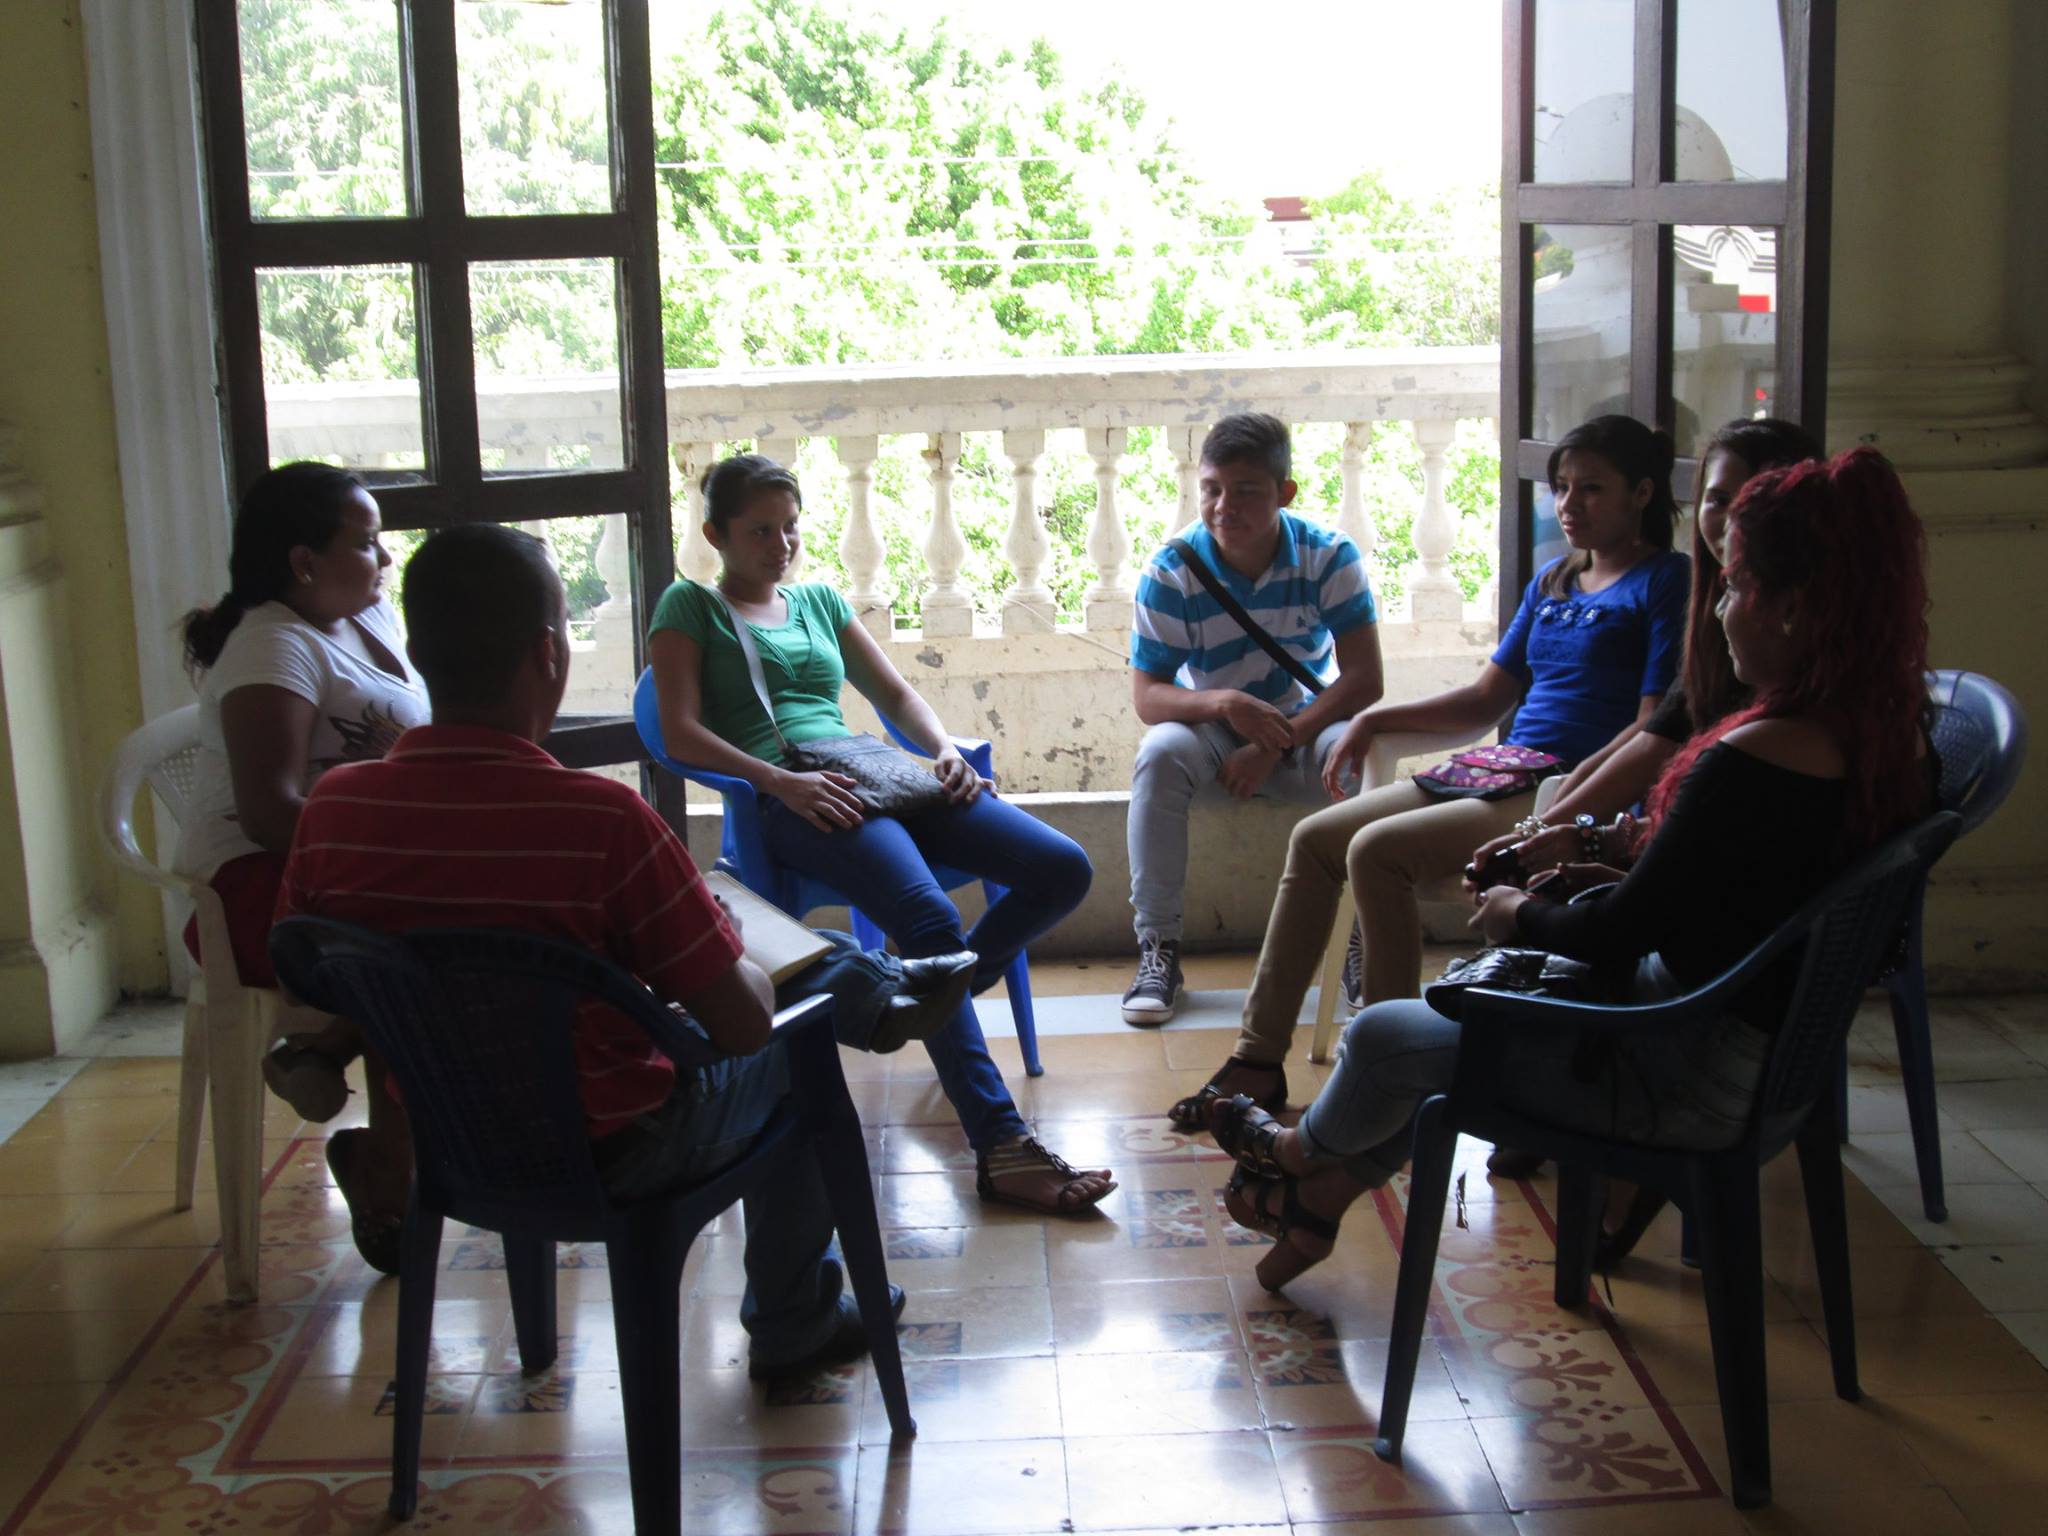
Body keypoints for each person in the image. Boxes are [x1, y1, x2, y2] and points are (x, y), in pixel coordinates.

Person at [1206, 446, 1933, 1291]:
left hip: (1675, 1067)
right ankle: (1319, 1196)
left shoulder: (1756, 756)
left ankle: (1295, 1157)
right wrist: (1598, 852)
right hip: (1761, 1059)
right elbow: (1729, 883)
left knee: (1388, 1035)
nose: (1721, 606)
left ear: (1793, 609)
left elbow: (1621, 936)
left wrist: (1518, 911)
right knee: (1437, 1027)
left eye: (1734, 587)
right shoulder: (1885, 732)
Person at [277, 523, 983, 1379]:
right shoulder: (599, 821)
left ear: (420, 652)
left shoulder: (335, 810)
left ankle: (869, 986)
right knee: (797, 1035)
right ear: (548, 652)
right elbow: (740, 1025)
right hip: (615, 1141)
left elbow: (315, 986)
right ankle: (794, 1316)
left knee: (776, 962)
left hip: (449, 1135)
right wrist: (728, 956)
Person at [1167, 414, 1689, 1135]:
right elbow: (1486, 699)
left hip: (1566, 793)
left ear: (1642, 493)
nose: (1570, 505)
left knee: (1376, 853)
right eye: (1563, 488)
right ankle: (1259, 1056)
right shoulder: (1555, 581)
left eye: (1591, 489)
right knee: (1317, 839)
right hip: (1499, 770)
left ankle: (1388, 1071)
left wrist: (1563, 805)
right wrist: (1376, 719)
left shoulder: (1666, 581)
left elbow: (1652, 727)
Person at [648, 455, 1113, 1216]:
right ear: (715, 536)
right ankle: (1000, 1144)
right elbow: (679, 732)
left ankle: (935, 987)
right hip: (799, 798)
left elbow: (893, 693)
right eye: (760, 530)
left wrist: (944, 751)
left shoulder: (822, 601)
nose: (781, 544)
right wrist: (777, 782)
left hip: (875, 772)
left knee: (1062, 868)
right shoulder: (689, 607)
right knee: (930, 921)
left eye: (790, 527)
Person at [176, 461, 428, 1256]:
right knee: (412, 943)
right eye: (366, 543)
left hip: (343, 865)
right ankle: (391, 1172)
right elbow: (270, 812)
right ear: (302, 561)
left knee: (450, 907)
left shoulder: (360, 618)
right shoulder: (268, 649)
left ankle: (330, 1054)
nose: (385, 561)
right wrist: (390, 857)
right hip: (260, 886)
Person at [1463, 417, 1822, 884]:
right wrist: (1539, 832)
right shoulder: (1712, 621)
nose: (1734, 520)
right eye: (1717, 500)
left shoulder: (1784, 697)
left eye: (1753, 500)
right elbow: (1661, 733)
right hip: (1568, 798)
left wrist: (1560, 840)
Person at [1123, 412, 1384, 1025]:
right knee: (1159, 753)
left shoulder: (1328, 557)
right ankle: (1158, 947)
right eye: (1211, 488)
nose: (1223, 507)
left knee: (1359, 757)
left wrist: (1280, 737)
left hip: (1309, 724)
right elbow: (1149, 697)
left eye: (1245, 491)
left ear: (1284, 494)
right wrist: (1223, 704)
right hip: (1215, 734)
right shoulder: (1173, 569)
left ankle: (1357, 939)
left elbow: (1365, 680)